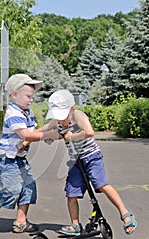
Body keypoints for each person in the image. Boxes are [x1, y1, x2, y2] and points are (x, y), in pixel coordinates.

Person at [44, 89, 137, 236]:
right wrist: (30, 138)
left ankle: (125, 214)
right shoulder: (58, 121)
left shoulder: (78, 115)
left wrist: (71, 137)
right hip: (76, 161)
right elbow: (43, 130)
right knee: (71, 192)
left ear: (72, 109)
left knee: (101, 184)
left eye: (62, 116)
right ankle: (75, 225)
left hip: (92, 157)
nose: (61, 120)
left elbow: (89, 132)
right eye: (58, 117)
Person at [0, 73, 61, 236]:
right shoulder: (13, 113)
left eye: (32, 96)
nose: (31, 99)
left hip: (19, 159)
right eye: (28, 96)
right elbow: (26, 135)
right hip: (7, 161)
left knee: (29, 187)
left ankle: (21, 222)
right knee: (10, 190)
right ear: (14, 94)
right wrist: (49, 135)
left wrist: (50, 127)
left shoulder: (26, 112)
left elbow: (32, 132)